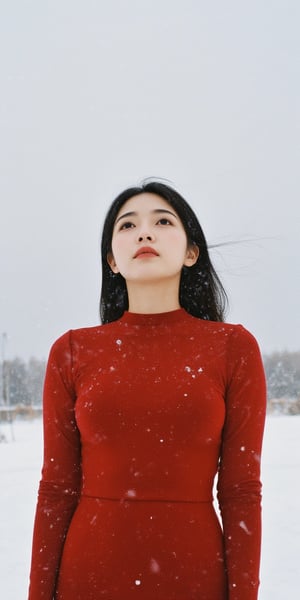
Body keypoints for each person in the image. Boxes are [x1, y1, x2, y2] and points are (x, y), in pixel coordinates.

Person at [28, 180, 266, 600]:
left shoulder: (233, 348)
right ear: (111, 261)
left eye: (162, 220)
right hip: (88, 576)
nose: (144, 232)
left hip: (193, 576)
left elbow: (240, 492)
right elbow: (57, 489)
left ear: (192, 252)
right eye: (127, 225)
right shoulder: (72, 351)